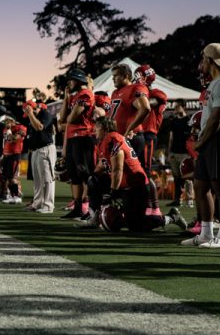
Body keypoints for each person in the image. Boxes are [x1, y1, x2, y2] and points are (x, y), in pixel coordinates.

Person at [182, 43, 220, 249]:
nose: (201, 63)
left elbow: (217, 118)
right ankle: (206, 233)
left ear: (210, 61)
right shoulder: (216, 82)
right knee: (200, 185)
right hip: (213, 138)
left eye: (203, 58)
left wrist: (201, 141)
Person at [83, 116, 186, 232]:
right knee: (94, 180)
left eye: (96, 127)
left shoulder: (112, 139)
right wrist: (94, 176)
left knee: (135, 225)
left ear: (105, 128)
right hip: (125, 185)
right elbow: (103, 164)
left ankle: (171, 217)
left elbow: (117, 169)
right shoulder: (105, 141)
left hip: (136, 187)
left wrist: (112, 193)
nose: (94, 129)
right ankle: (95, 216)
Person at [59, 67, 96, 219]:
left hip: (83, 137)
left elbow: (71, 119)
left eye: (72, 80)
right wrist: (66, 98)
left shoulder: (86, 94)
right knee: (74, 176)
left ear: (79, 80)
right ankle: (78, 208)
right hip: (74, 138)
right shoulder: (74, 96)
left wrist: (68, 118)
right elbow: (63, 119)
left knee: (85, 174)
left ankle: (91, 209)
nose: (69, 83)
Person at [109, 63, 150, 172]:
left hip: (131, 138)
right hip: (118, 138)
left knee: (133, 174)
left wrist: (129, 129)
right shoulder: (115, 92)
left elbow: (145, 108)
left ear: (126, 76)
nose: (113, 79)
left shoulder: (135, 88)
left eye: (116, 75)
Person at [24, 99, 56, 213]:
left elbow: (40, 127)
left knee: (47, 178)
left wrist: (31, 114)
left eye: (28, 110)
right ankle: (37, 203)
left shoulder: (45, 114)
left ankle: (48, 205)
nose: (28, 114)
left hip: (45, 148)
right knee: (37, 180)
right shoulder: (31, 117)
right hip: (36, 151)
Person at [165, 100, 192, 207]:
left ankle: (189, 199)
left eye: (178, 107)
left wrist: (191, 153)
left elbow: (191, 138)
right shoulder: (173, 121)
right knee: (177, 178)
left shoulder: (189, 120)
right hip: (174, 153)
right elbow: (171, 138)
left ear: (183, 107)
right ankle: (177, 199)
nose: (176, 109)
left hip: (185, 153)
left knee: (187, 177)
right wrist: (169, 152)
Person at [1, 117, 27, 203]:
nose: (6, 123)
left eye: (7, 121)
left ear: (12, 121)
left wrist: (9, 131)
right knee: (7, 177)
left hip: (14, 155)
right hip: (6, 155)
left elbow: (14, 139)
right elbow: (8, 140)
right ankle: (12, 195)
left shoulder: (20, 127)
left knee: (12, 177)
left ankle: (17, 195)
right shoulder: (6, 129)